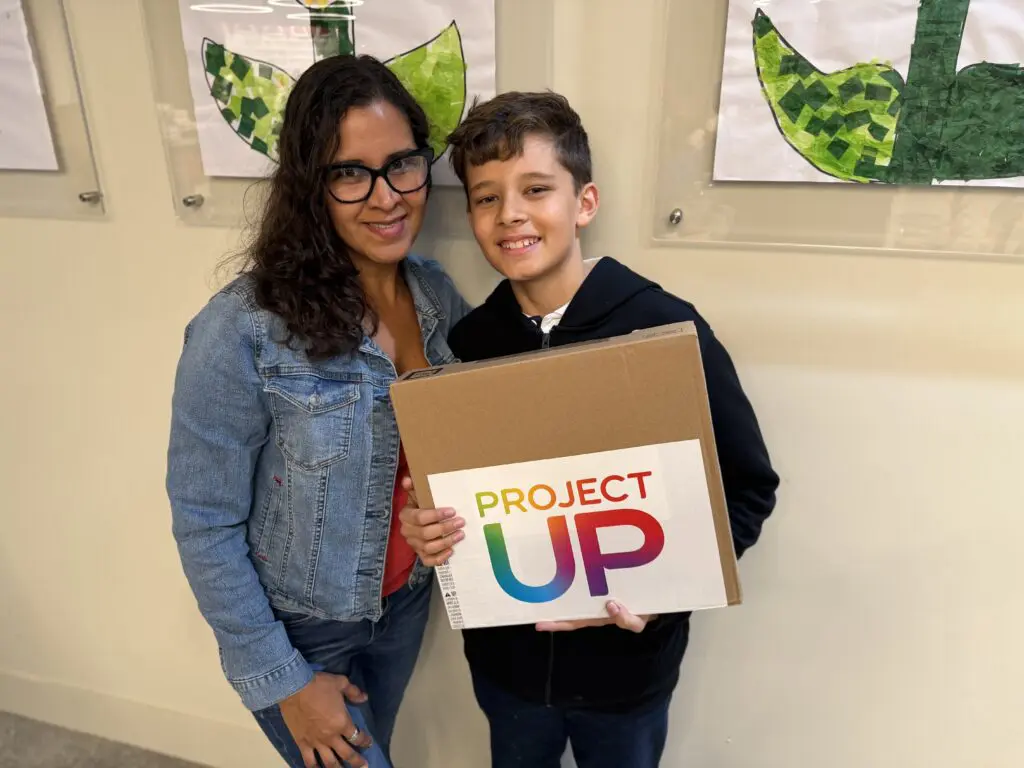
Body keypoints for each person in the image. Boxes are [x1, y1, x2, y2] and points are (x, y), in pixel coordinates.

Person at [398, 91, 780, 768]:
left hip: (626, 673)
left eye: (536, 189)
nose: (511, 212)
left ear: (584, 204)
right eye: (486, 197)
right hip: (507, 671)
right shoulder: (467, 344)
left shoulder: (663, 330)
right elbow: (452, 498)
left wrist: (664, 597)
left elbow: (747, 489)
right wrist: (429, 529)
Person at [165, 54, 469, 768]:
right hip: (303, 627)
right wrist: (283, 679)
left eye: (403, 164)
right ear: (311, 186)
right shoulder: (243, 328)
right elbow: (204, 519)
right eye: (349, 173)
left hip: (403, 606)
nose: (386, 196)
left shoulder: (437, 298)